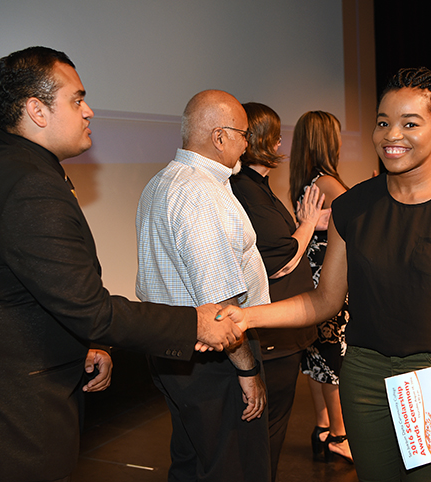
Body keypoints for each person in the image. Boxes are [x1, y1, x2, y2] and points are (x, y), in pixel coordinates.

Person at [0, 47, 242, 482]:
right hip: (3, 422)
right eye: (77, 100)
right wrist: (197, 324)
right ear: (37, 110)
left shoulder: (11, 164)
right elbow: (90, 309)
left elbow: (26, 295)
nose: (89, 111)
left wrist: (85, 345)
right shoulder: (31, 186)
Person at [217, 67, 431, 481]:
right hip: (365, 380)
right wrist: (248, 316)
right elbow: (324, 300)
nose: (392, 135)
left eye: (410, 123)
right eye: (383, 122)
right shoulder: (353, 207)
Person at [135, 90, 271, 482]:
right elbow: (220, 308)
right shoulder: (200, 193)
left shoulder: (162, 182)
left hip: (172, 351)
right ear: (220, 136)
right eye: (244, 134)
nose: (248, 144)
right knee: (235, 469)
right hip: (213, 359)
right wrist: (247, 370)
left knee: (192, 463)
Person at [230, 102, 325, 480]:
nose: (282, 140)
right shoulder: (247, 192)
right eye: (275, 133)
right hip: (272, 337)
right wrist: (306, 225)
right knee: (264, 437)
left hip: (282, 335)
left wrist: (311, 224)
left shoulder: (258, 189)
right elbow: (282, 257)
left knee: (267, 435)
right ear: (261, 140)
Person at [288, 110, 352, 463]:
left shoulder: (305, 181)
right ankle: (341, 435)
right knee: (333, 359)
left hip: (311, 279)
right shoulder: (327, 181)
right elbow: (359, 217)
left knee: (315, 357)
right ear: (328, 140)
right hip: (331, 281)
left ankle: (323, 428)